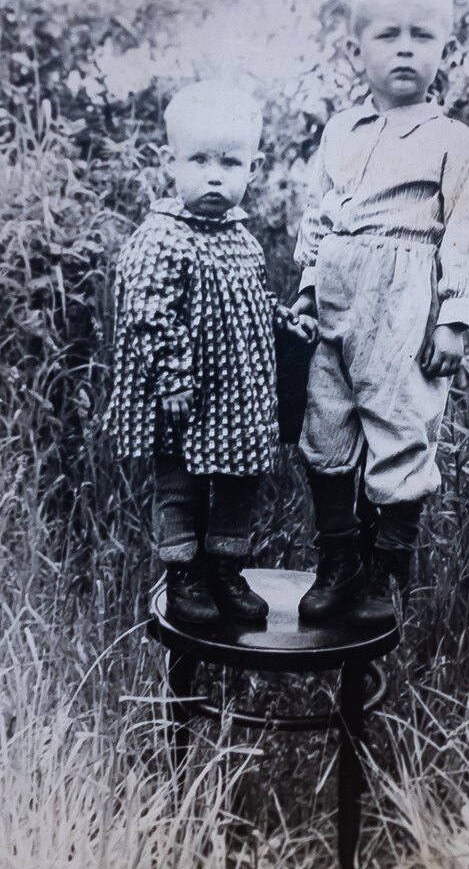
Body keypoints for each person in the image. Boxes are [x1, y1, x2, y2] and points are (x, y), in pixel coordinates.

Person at [291, 0, 469, 627]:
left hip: (402, 303)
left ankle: (386, 572)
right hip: (334, 301)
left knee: (400, 425)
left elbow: (465, 232)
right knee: (324, 425)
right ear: (358, 51)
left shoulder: (451, 140)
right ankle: (338, 560)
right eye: (387, 35)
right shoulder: (339, 132)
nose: (404, 48)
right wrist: (307, 287)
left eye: (420, 35)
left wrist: (453, 317)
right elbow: (318, 215)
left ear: (444, 49)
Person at [106, 80, 315, 626]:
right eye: (199, 160)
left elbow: (249, 300)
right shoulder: (162, 238)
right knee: (180, 484)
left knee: (240, 483)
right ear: (169, 162)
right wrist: (173, 376)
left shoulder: (241, 238)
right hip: (183, 398)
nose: (214, 175)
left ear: (254, 168)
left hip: (235, 398)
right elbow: (149, 312)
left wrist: (281, 318)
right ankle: (184, 577)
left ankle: (226, 571)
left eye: (230, 162)